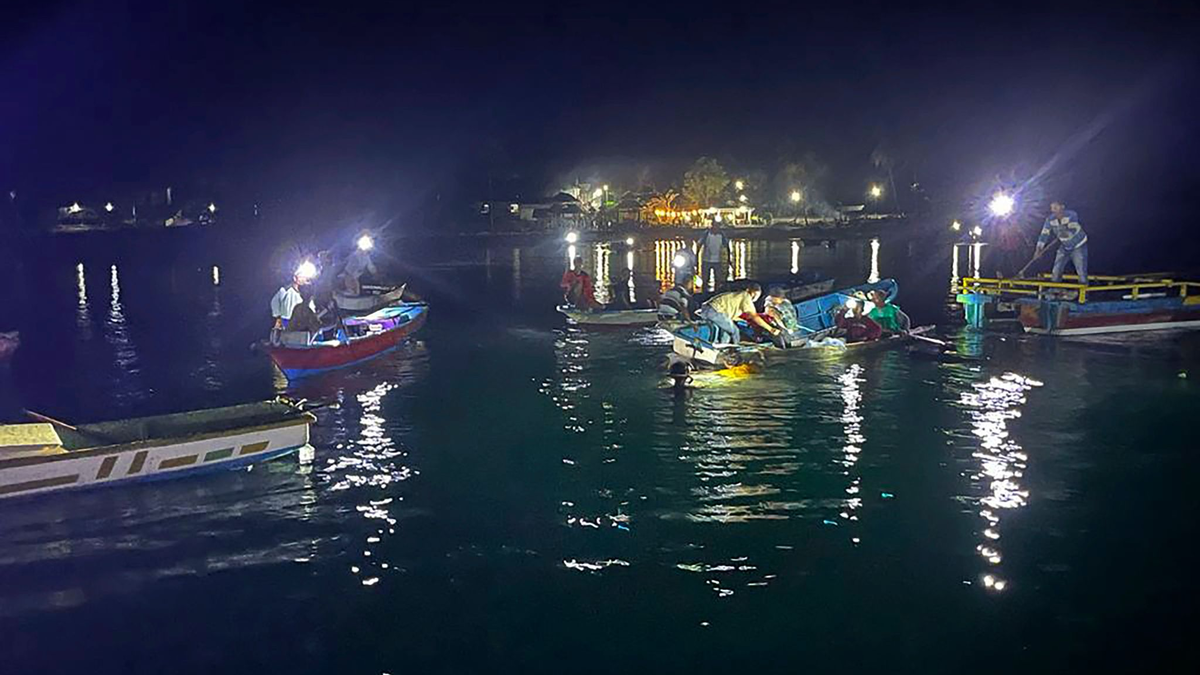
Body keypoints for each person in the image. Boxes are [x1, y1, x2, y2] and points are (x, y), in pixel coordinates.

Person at [698, 282, 779, 345]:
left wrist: (744, 321)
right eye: (754, 294)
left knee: (727, 332)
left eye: (757, 295)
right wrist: (771, 329)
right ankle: (736, 351)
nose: (755, 297)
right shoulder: (746, 296)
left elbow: (733, 315)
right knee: (735, 331)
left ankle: (723, 350)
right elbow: (754, 316)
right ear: (748, 290)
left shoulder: (738, 297)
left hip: (709, 309)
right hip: (713, 310)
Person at [1033, 201, 1088, 285]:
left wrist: (1065, 232)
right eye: (1052, 207)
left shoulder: (1071, 215)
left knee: (1081, 271)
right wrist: (1039, 249)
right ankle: (1055, 290)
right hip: (1065, 246)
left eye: (1056, 207)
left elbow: (1073, 228)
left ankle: (1084, 295)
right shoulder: (1050, 219)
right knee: (1056, 269)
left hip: (1078, 245)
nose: (1053, 210)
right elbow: (1044, 234)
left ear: (1062, 206)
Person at [696, 220, 732, 291]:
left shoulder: (722, 235)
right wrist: (696, 258)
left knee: (718, 280)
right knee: (705, 280)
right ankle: (705, 293)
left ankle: (716, 293)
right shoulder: (706, 234)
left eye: (717, 226)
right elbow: (699, 245)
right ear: (712, 225)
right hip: (706, 260)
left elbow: (727, 247)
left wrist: (728, 260)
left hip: (717, 261)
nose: (716, 228)